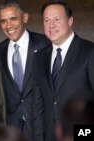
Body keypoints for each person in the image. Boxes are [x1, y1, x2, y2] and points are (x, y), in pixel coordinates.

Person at [33, 1, 94, 141]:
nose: (51, 25)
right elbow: (38, 103)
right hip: (49, 135)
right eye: (47, 20)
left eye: (56, 19)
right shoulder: (39, 57)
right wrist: (38, 137)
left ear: (70, 21)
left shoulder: (89, 51)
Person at [0, 1, 50, 141]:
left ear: (25, 17)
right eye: (3, 21)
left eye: (13, 19)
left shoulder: (45, 44)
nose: (9, 25)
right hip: (12, 128)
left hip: (41, 126)